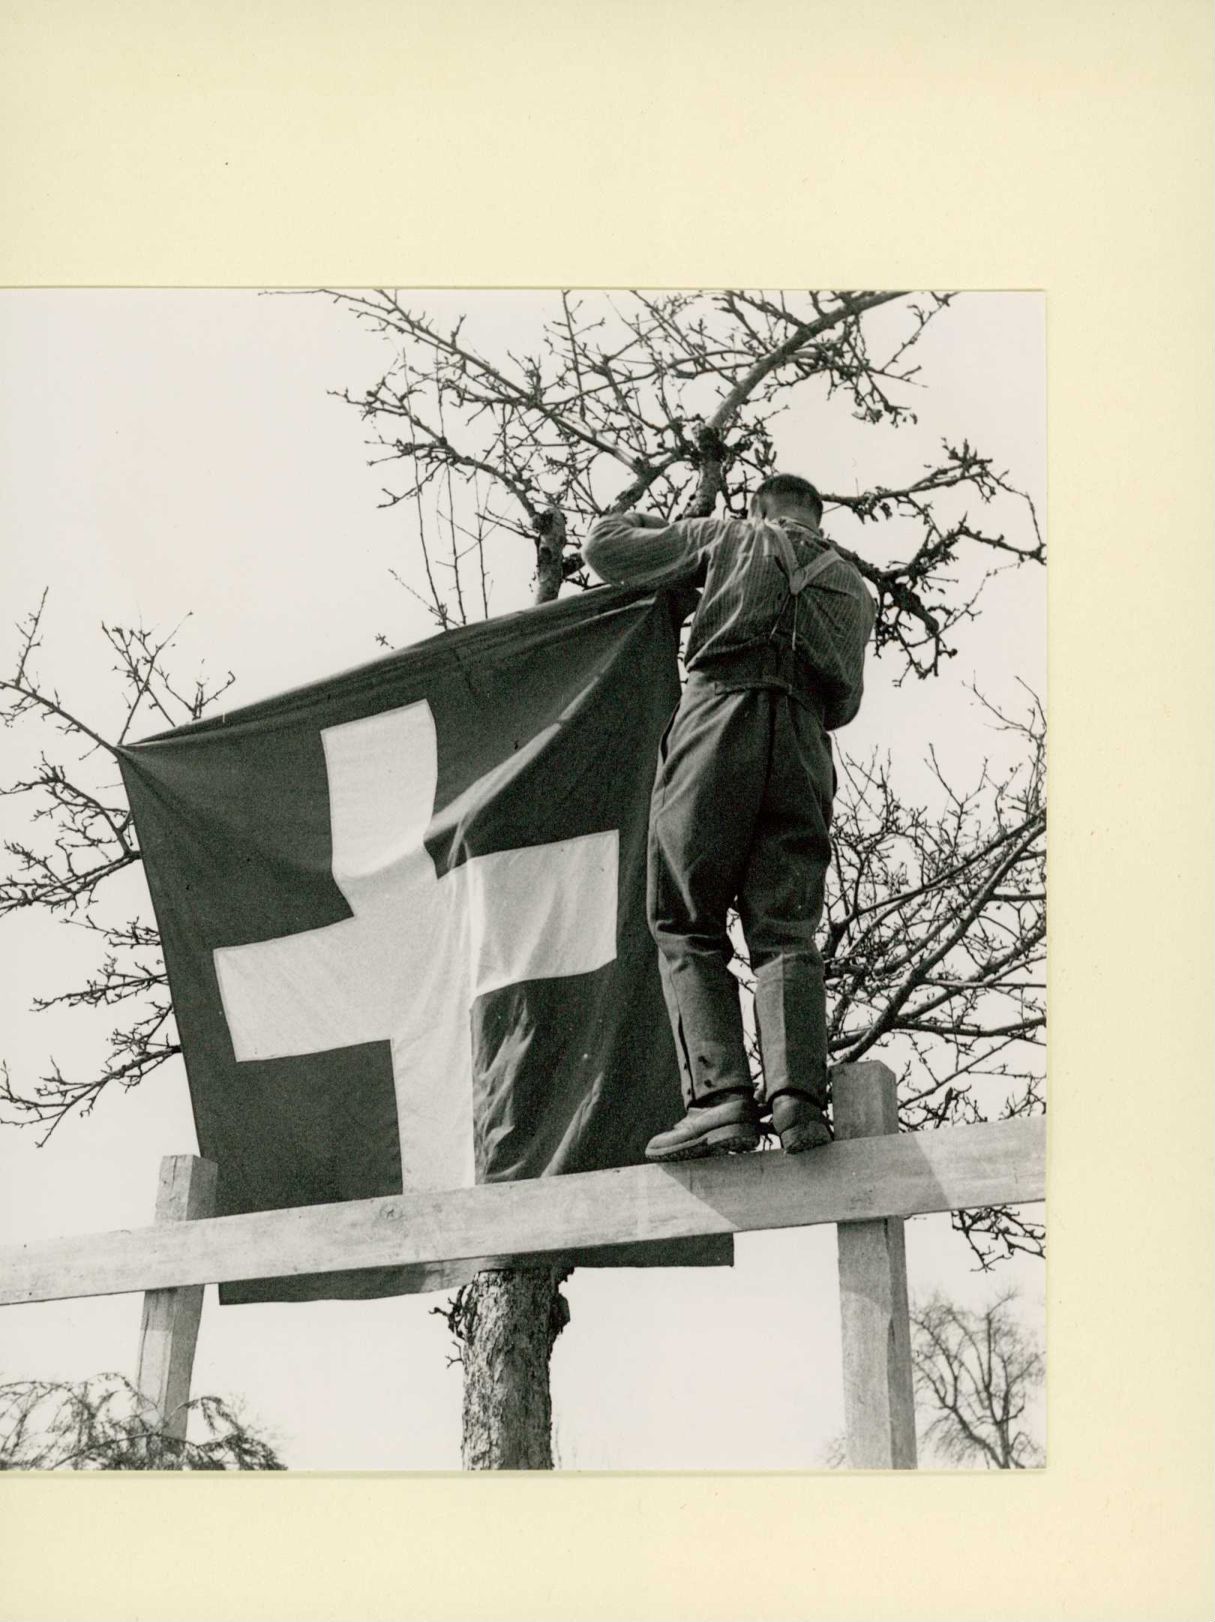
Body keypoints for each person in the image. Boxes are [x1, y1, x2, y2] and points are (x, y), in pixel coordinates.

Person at [582, 473, 876, 1162]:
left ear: (758, 506)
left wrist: (655, 522)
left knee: (686, 915)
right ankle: (797, 1100)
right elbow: (845, 704)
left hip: (719, 718)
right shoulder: (855, 590)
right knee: (786, 927)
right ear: (818, 518)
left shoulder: (729, 535)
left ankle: (719, 1102)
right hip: (805, 741)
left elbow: (604, 547)